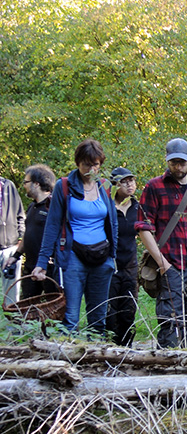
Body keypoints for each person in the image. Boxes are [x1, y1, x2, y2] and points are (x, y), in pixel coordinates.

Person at [33, 139, 118, 334]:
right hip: (72, 257)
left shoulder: (104, 187)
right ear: (78, 162)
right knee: (69, 318)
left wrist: (113, 256)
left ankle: (96, 359)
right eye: (86, 164)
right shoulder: (64, 186)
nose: (90, 169)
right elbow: (52, 225)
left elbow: (112, 222)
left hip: (102, 257)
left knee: (98, 318)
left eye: (95, 164)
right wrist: (42, 262)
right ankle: (66, 362)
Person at [136, 137, 187, 348]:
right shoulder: (154, 187)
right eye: (173, 162)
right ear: (167, 161)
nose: (178, 167)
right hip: (170, 264)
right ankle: (167, 365)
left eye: (182, 162)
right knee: (169, 320)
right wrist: (163, 264)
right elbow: (143, 227)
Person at [11, 165, 56, 300]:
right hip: (31, 267)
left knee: (53, 309)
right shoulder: (32, 206)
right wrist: (16, 255)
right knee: (27, 307)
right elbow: (28, 234)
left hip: (49, 270)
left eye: (26, 182)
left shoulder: (53, 205)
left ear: (36, 184)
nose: (24, 186)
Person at [106, 167, 140, 346]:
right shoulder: (107, 206)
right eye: (123, 181)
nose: (129, 184)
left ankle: (127, 348)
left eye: (131, 180)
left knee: (128, 311)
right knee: (110, 311)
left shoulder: (138, 207)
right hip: (110, 266)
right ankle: (110, 348)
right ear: (115, 185)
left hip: (130, 266)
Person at [0, 175, 25, 305]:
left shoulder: (7, 185)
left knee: (11, 295)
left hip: (10, 247)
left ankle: (13, 325)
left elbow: (20, 214)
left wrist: (21, 238)